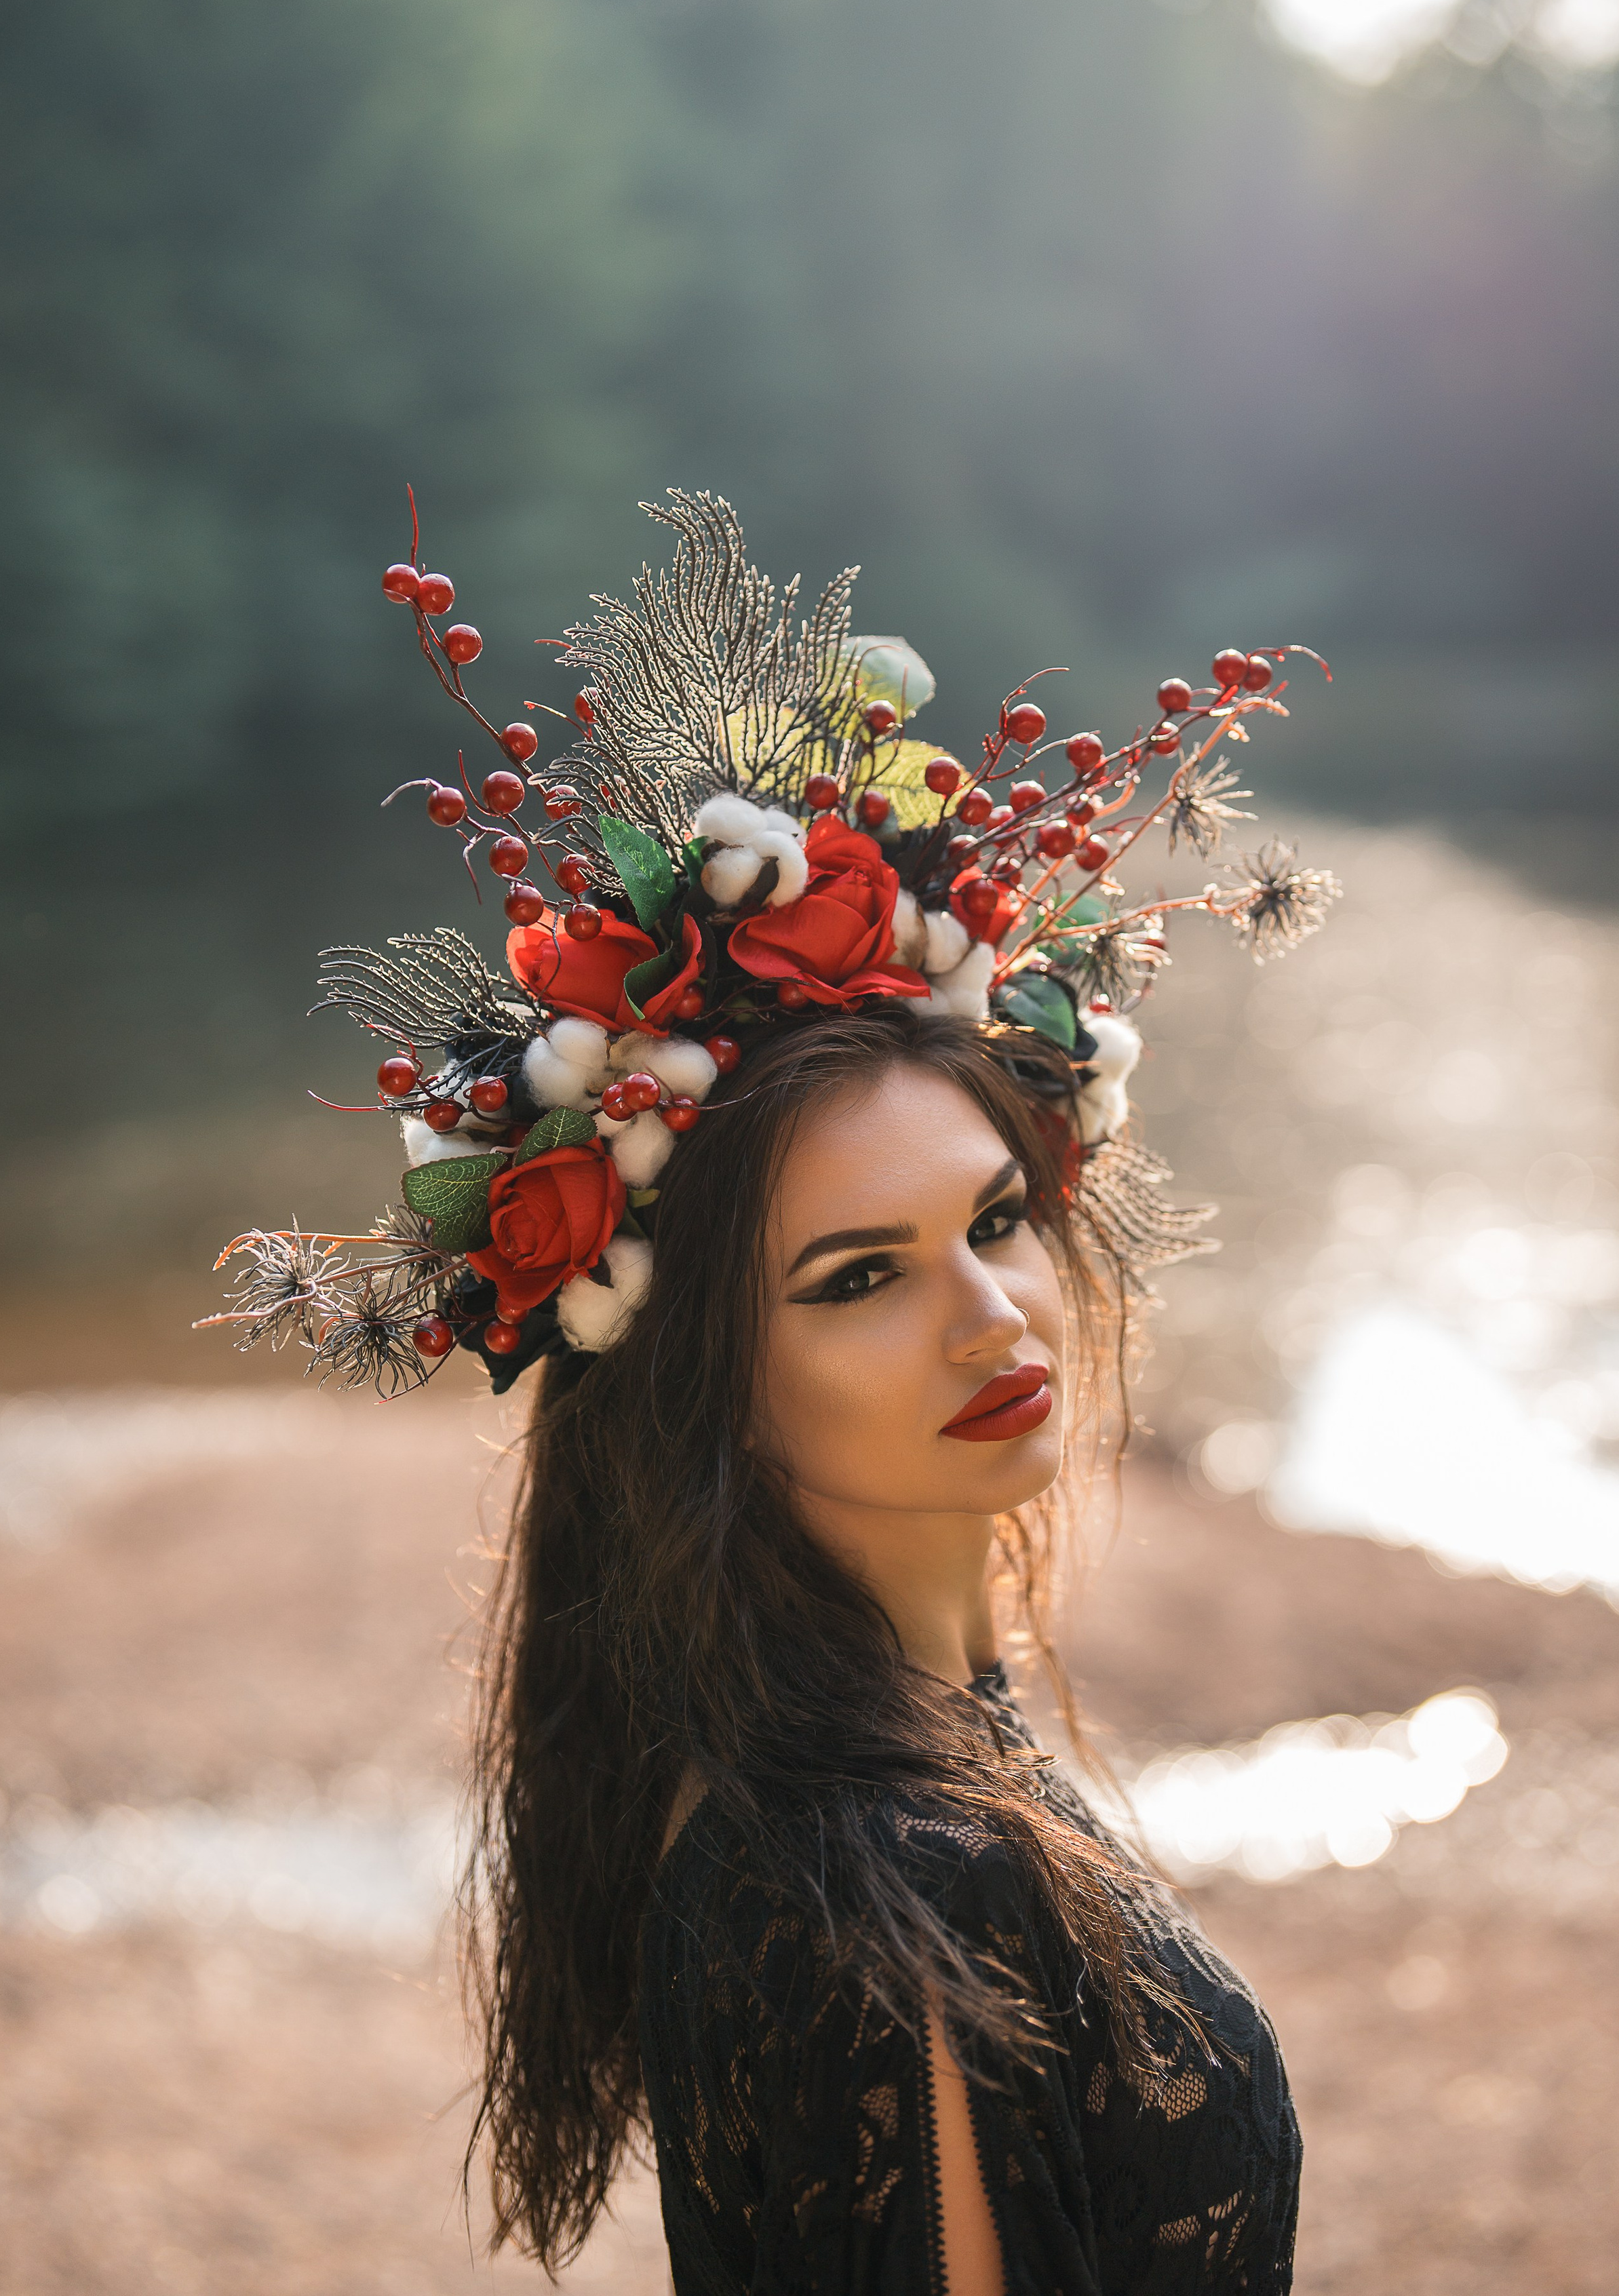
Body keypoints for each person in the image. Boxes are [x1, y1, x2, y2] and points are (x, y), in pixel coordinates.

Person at [206, 488, 1335, 2291]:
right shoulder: (870, 1876)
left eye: (997, 1218)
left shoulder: (855, 1742)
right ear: (711, 1379)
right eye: (858, 1276)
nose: (990, 1311)